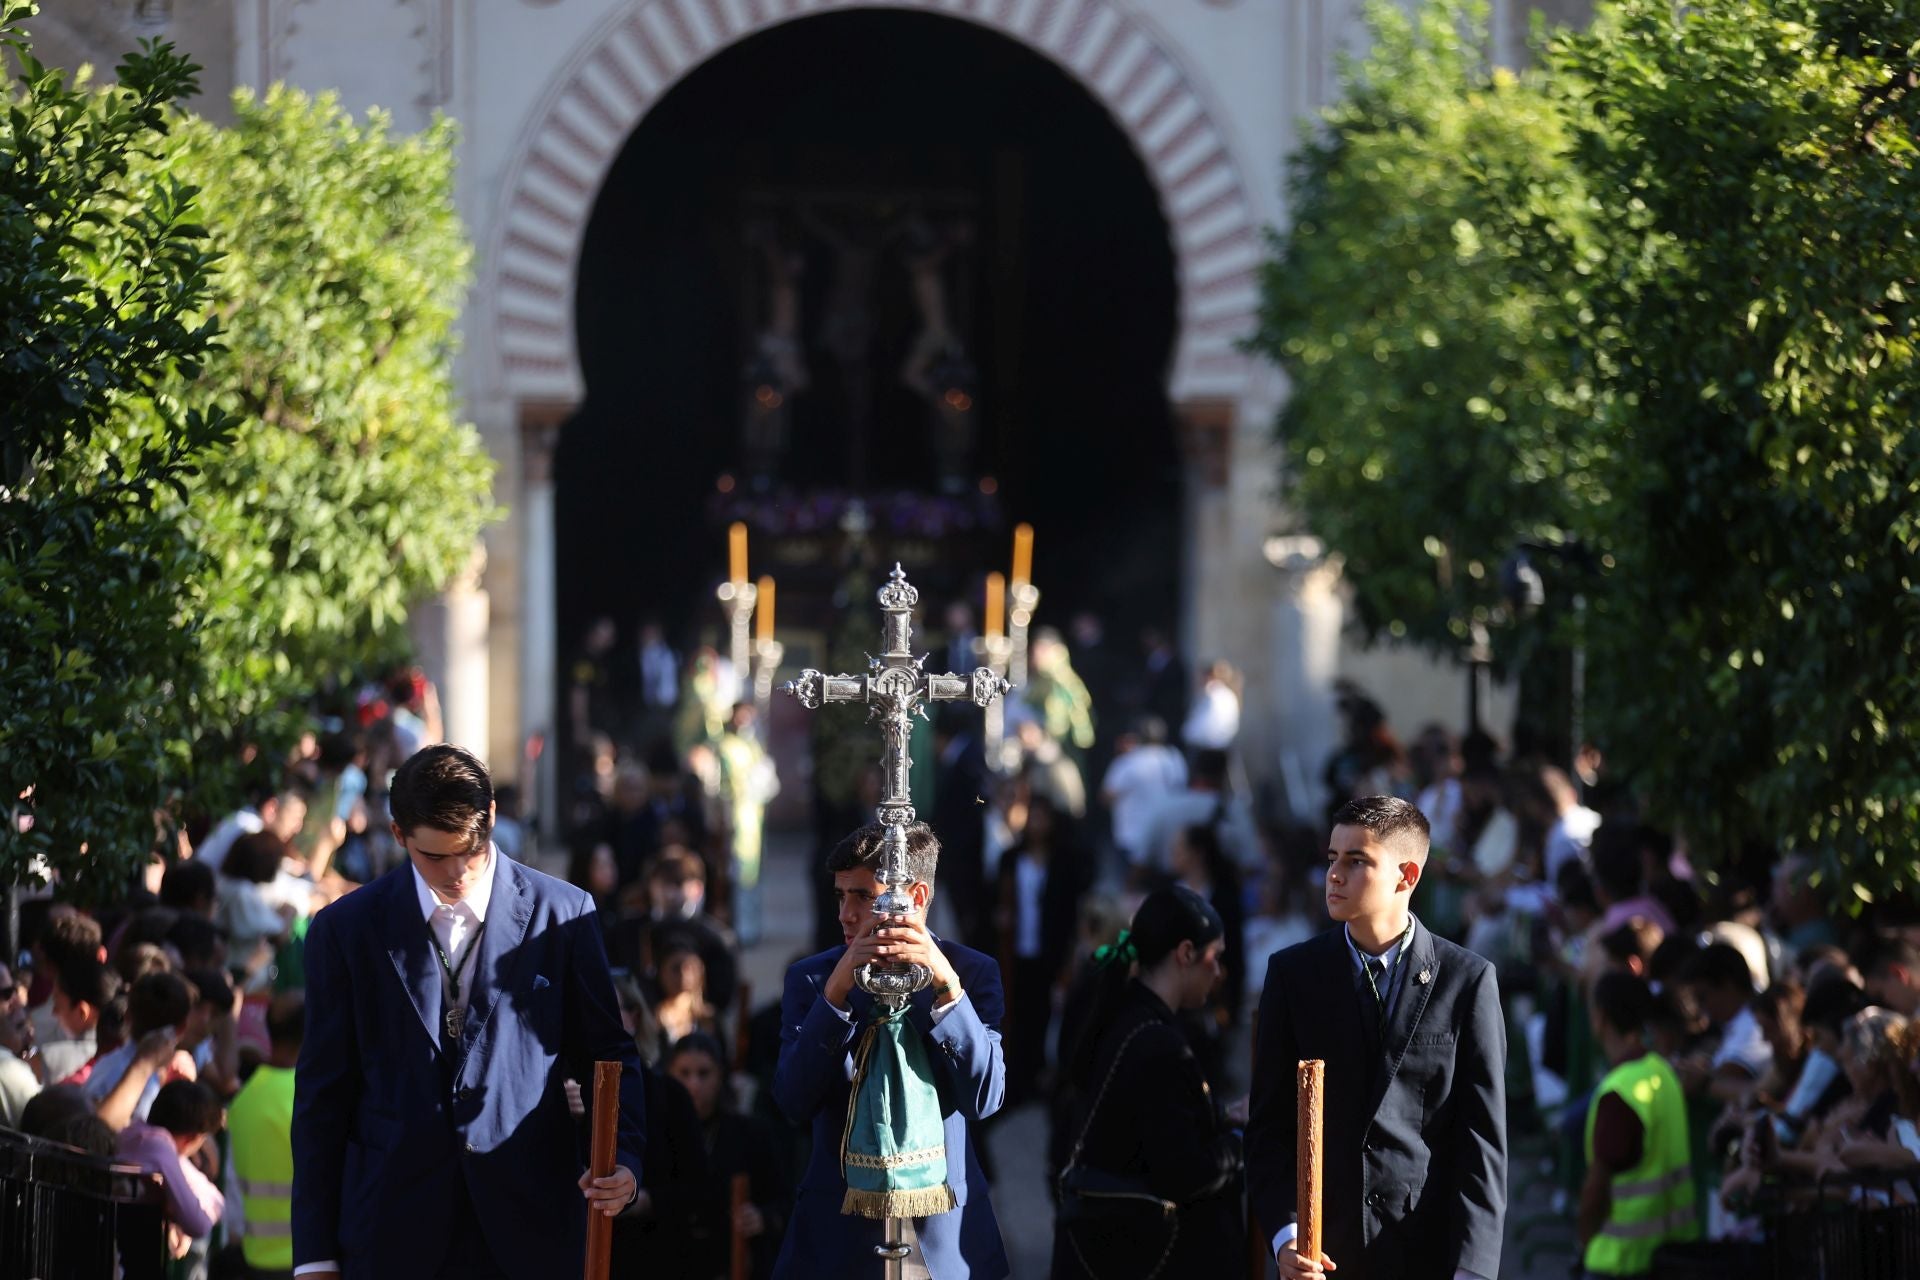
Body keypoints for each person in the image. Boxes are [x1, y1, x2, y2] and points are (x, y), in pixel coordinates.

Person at [291, 743, 647, 1278]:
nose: (457, 871)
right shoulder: (344, 930)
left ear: (493, 817)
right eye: (435, 857)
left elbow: (609, 1051)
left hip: (530, 1227)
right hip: (392, 1232)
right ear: (398, 835)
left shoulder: (563, 913)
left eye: (471, 850)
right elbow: (322, 1099)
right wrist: (315, 1257)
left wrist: (624, 1159)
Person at [1248, 795, 1507, 1280]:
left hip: (1426, 1253)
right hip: (1324, 1254)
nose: (1334, 875)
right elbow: (1269, 1128)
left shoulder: (1466, 980)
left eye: (1356, 860)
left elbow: (1481, 1141)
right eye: (1332, 859)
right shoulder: (1292, 974)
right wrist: (1286, 1237)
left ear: (1406, 876)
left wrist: (1473, 1268)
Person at [771, 821, 1009, 1279]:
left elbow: (985, 1098)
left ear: (915, 897)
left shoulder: (970, 974)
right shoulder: (814, 979)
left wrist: (947, 992)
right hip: (839, 1242)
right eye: (840, 896)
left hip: (943, 1241)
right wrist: (835, 997)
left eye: (862, 896)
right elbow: (792, 1100)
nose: (845, 914)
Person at [1051, 885, 1245, 1279]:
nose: (1219, 972)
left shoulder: (1125, 1014)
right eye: (1215, 956)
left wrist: (1222, 1115)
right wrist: (1241, 1142)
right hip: (1140, 1255)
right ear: (1185, 953)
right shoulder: (1156, 1043)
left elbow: (1146, 1129)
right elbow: (1184, 1171)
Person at [1577, 972, 1698, 1277]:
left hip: (1623, 1262)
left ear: (1601, 1017)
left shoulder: (1620, 1091)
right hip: (1675, 1256)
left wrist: (1586, 1244)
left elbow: (1595, 1191)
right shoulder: (1663, 1072)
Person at [666, 1032, 790, 1280]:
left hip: (732, 1263)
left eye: (703, 1073)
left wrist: (761, 1218)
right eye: (684, 1073)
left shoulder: (751, 1134)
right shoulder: (658, 1132)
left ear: (719, 1075)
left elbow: (784, 1202)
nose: (694, 1085)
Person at [229, 993, 303, 1280]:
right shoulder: (310, 1100)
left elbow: (233, 1189)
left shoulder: (243, 1101)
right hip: (308, 1260)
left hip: (254, 1262)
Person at [118, 1079, 226, 1258]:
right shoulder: (160, 1147)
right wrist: (175, 1212)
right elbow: (198, 1224)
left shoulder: (135, 1132)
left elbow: (216, 1200)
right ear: (192, 1138)